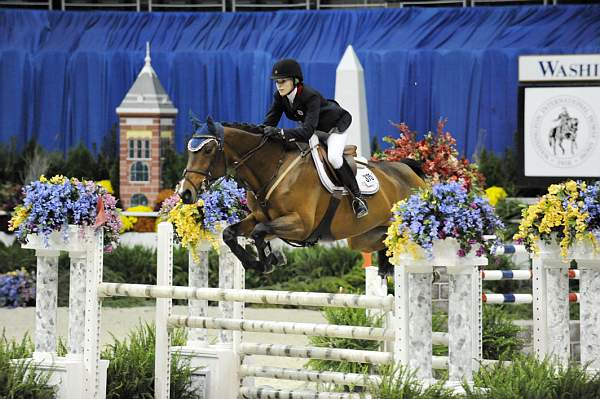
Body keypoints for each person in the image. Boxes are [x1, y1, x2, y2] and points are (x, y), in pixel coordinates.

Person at [262, 58, 368, 218]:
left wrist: (281, 133)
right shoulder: (280, 97)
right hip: (313, 129)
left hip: (334, 127)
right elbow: (270, 121)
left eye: (283, 81)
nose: (279, 85)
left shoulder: (310, 96)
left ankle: (357, 198)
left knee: (333, 158)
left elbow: (305, 132)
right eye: (277, 82)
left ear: (295, 81)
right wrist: (259, 133)